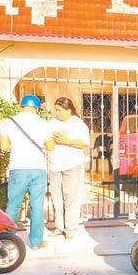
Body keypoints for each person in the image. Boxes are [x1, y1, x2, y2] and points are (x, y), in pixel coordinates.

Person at [0, 95, 55, 249]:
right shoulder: (44, 124)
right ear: (37, 108)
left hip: (18, 168)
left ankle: (8, 241)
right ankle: (36, 242)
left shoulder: (7, 122)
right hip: (38, 168)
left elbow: (4, 146)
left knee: (13, 205)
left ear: (21, 106)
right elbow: (51, 147)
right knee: (37, 206)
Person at [48, 97, 90, 239]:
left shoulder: (78, 124)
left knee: (70, 198)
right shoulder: (52, 123)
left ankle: (70, 229)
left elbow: (84, 144)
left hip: (72, 165)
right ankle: (59, 227)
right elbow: (46, 141)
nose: (57, 113)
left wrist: (67, 141)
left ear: (69, 110)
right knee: (56, 198)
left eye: (59, 110)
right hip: (55, 166)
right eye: (56, 110)